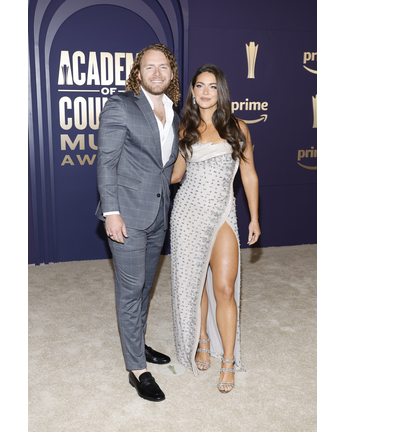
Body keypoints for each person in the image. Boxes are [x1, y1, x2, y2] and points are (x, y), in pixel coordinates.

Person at [95, 43, 181, 402]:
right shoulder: (121, 105)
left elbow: (167, 166)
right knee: (131, 292)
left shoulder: (176, 112)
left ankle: (138, 343)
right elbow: (106, 162)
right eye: (150, 67)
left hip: (159, 214)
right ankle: (136, 369)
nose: (157, 73)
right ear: (138, 72)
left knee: (145, 288)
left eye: (163, 67)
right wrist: (111, 212)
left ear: (172, 73)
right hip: (127, 216)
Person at [169, 63, 260, 394]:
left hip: (223, 213)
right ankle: (202, 339)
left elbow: (248, 174)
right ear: (192, 91)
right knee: (195, 286)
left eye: (212, 86)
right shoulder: (186, 129)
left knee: (223, 287)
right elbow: (176, 176)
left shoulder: (238, 127)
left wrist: (254, 217)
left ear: (220, 91)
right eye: (200, 86)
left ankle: (228, 361)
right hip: (187, 214)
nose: (206, 92)